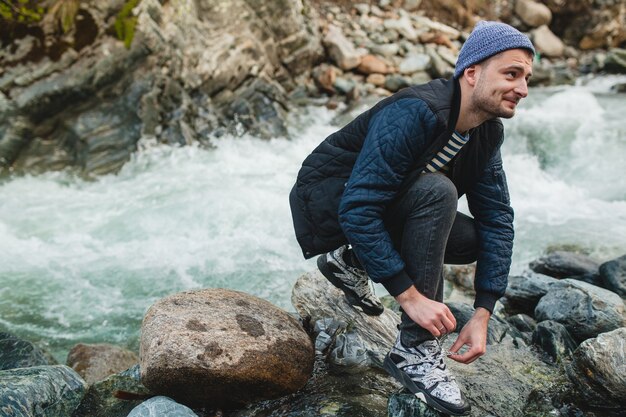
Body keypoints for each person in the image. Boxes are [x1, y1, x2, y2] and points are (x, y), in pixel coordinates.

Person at [289, 21, 534, 416]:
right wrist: (411, 298)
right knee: (438, 192)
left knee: (473, 237)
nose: (522, 89)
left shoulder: (486, 133)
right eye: (511, 73)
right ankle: (415, 351)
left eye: (526, 78)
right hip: (329, 200)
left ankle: (351, 262)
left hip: (384, 203)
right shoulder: (416, 111)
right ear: (471, 73)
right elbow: (358, 206)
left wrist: (484, 311)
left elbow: (498, 220)